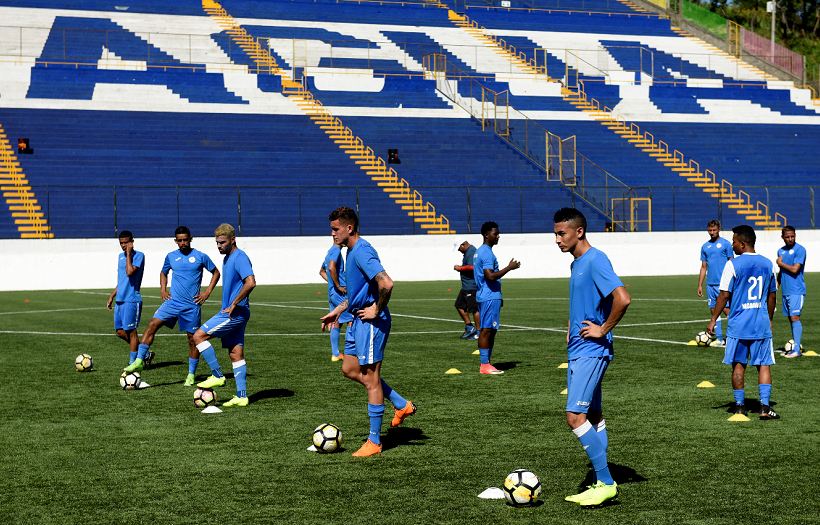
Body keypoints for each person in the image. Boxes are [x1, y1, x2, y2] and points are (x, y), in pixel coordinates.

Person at [321, 207, 416, 457]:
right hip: (356, 320)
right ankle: (400, 404)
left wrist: (376, 309)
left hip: (371, 323)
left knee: (371, 380)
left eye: (335, 229)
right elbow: (355, 294)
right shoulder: (351, 252)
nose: (332, 234)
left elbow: (386, 283)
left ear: (349, 228)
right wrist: (338, 311)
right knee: (349, 369)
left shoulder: (362, 251)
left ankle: (374, 442)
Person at [554, 208, 630, 507]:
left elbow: (622, 298)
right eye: (556, 234)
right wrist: (571, 328)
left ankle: (607, 482)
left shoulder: (595, 259)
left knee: (575, 417)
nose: (557, 239)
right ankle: (601, 480)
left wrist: (604, 328)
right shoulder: (577, 263)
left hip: (591, 350)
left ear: (579, 232)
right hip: (580, 348)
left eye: (562, 233)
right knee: (594, 415)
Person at [123, 227, 220, 386]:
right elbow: (163, 272)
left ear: (190, 239)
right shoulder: (171, 256)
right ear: (175, 241)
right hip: (172, 303)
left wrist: (207, 292)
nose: (182, 243)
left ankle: (191, 374)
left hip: (191, 305)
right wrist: (163, 289)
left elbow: (216, 273)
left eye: (185, 240)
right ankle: (139, 360)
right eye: (179, 240)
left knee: (192, 339)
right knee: (152, 324)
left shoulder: (200, 256)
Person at [707, 225, 779, 420]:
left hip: (738, 325)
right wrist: (769, 318)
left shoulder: (732, 264)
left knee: (738, 365)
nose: (732, 245)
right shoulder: (768, 263)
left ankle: (739, 407)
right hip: (760, 324)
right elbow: (772, 296)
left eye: (734, 241)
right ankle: (765, 407)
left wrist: (713, 319)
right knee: (764, 365)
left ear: (743, 243)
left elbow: (723, 295)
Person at [192, 224, 256, 407]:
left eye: (222, 242)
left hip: (234, 313)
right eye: (217, 243)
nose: (219, 246)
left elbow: (251, 282)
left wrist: (235, 303)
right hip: (235, 312)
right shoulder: (228, 258)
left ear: (233, 240)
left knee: (199, 335)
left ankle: (217, 375)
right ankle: (241, 396)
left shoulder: (240, 257)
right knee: (236, 354)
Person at [473, 221, 520, 375]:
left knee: (489, 330)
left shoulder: (481, 251)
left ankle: (486, 363)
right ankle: (485, 365)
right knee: (487, 330)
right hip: (488, 297)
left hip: (487, 296)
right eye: (495, 233)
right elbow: (490, 276)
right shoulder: (486, 252)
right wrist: (509, 268)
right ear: (486, 235)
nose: (498, 236)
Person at [106, 230, 145, 366]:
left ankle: (133, 363)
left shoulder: (139, 256)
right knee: (120, 332)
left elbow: (129, 272)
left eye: (126, 242)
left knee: (131, 331)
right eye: (121, 243)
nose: (123, 245)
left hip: (132, 299)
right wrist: (112, 295)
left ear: (132, 242)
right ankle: (144, 354)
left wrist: (129, 253)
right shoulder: (120, 257)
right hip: (120, 300)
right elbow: (122, 279)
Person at [697, 219, 733, 346]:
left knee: (727, 310)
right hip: (710, 284)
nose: (712, 232)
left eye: (714, 230)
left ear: (719, 229)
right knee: (713, 310)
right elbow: (703, 267)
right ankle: (719, 338)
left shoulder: (726, 244)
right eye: (710, 230)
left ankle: (733, 336)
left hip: (723, 283)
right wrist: (700, 285)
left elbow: (732, 262)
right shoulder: (705, 246)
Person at [320, 241, 353, 361]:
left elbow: (322, 271)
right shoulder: (336, 251)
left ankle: (335, 353)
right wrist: (338, 285)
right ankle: (350, 354)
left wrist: (332, 284)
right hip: (341, 293)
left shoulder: (329, 252)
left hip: (332, 293)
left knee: (336, 321)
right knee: (352, 320)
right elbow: (331, 267)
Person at [776, 225, 806, 358]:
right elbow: (781, 271)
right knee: (790, 319)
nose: (790, 239)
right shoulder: (780, 251)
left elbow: (795, 269)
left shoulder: (800, 250)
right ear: (782, 237)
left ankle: (797, 351)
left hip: (796, 290)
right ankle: (795, 347)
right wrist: (776, 285)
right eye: (787, 237)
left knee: (795, 317)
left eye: (792, 236)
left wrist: (781, 264)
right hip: (786, 291)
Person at [453, 240, 479, 339]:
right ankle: (469, 327)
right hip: (466, 286)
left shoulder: (471, 252)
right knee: (459, 305)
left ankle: (478, 331)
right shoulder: (468, 252)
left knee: (474, 309)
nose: (459, 251)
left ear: (463, 245)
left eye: (459, 249)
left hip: (472, 287)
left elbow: (473, 267)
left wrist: (460, 268)